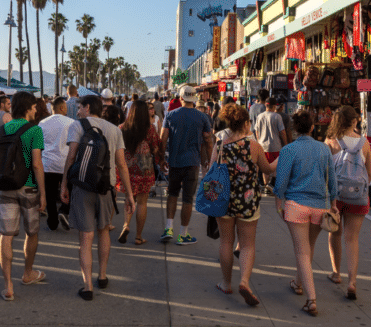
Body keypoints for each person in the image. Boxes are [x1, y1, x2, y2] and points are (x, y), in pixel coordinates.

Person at [61, 95, 134, 301]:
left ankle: (87, 286)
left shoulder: (78, 126)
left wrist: (65, 184)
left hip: (82, 187)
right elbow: (121, 164)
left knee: (85, 237)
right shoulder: (114, 129)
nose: (77, 111)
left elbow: (71, 157)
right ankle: (102, 276)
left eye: (79, 107)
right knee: (103, 231)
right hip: (106, 188)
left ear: (87, 107)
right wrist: (129, 194)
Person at [210, 104, 276, 306]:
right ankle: (245, 281)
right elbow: (266, 169)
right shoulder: (254, 146)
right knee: (247, 244)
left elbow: (211, 170)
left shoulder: (220, 144)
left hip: (224, 200)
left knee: (226, 243)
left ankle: (226, 283)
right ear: (246, 123)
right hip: (248, 200)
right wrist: (280, 160)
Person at [275, 110, 338, 317]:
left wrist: (278, 200)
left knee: (302, 251)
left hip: (296, 205)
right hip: (320, 205)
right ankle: (298, 283)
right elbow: (332, 179)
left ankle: (311, 299)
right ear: (313, 127)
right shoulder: (324, 149)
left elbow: (281, 181)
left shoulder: (289, 150)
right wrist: (333, 202)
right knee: (308, 247)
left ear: (294, 129)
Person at [0, 91, 47, 301]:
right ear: (27, 108)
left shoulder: (1, 130)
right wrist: (43, 193)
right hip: (29, 187)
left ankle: (8, 286)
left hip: (5, 186)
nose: (36, 109)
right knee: (31, 232)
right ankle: (27, 273)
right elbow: (37, 164)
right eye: (34, 106)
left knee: (6, 235)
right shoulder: (35, 130)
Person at [324, 106, 371, 301]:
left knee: (335, 232)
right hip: (358, 197)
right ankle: (352, 282)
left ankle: (336, 273)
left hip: (336, 196)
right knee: (352, 239)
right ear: (354, 121)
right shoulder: (365, 143)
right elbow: (369, 174)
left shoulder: (330, 141)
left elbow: (325, 172)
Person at [160, 85, 213, 245]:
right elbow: (208, 141)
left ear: (181, 98)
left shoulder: (170, 115)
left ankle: (169, 228)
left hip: (175, 162)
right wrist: (210, 161)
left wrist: (162, 159)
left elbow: (163, 139)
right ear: (194, 99)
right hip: (192, 164)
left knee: (172, 194)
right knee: (188, 199)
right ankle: (183, 234)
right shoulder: (202, 117)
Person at [116, 100, 163, 246]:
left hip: (127, 168)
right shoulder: (149, 129)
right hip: (145, 169)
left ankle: (125, 225)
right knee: (142, 202)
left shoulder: (122, 128)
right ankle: (138, 237)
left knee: (129, 198)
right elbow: (156, 149)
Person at [39, 97, 75, 231]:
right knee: (69, 191)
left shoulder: (42, 123)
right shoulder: (71, 122)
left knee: (50, 194)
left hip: (48, 163)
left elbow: (40, 144)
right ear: (61, 108)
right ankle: (64, 210)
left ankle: (52, 221)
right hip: (66, 163)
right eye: (65, 106)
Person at [254, 96, 290, 193]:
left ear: (266, 105)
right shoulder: (277, 116)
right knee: (275, 167)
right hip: (275, 146)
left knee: (264, 168)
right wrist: (286, 144)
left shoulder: (259, 116)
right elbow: (282, 132)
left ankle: (266, 186)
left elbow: (256, 132)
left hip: (262, 146)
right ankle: (271, 185)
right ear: (274, 106)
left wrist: (259, 142)